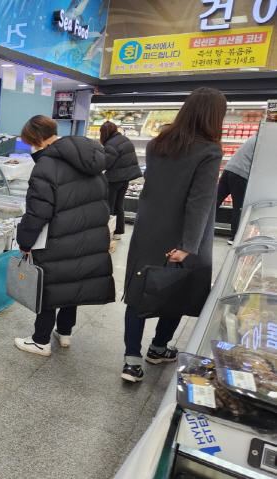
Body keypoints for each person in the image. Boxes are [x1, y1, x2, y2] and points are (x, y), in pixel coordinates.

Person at [122, 87, 227, 382]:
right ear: (214, 116)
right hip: (183, 236)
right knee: (176, 289)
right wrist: (188, 245)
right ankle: (158, 348)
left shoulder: (158, 143)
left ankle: (131, 360)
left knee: (138, 293)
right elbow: (200, 201)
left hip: (148, 229)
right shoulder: (209, 150)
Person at [14, 115, 115, 356]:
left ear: (38, 139)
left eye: (31, 141)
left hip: (57, 238)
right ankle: (65, 332)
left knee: (50, 286)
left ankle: (40, 340)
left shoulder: (46, 165)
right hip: (87, 235)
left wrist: (25, 242)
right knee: (73, 282)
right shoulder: (91, 158)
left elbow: (38, 211)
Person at [100, 121, 142, 241]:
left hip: (115, 178)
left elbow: (106, 163)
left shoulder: (111, 144)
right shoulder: (125, 139)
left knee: (109, 205)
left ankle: (108, 232)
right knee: (119, 204)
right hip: (126, 178)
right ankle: (118, 231)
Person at [216, 133, 257, 244]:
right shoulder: (266, 139)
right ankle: (235, 238)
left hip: (229, 169)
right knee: (239, 207)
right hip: (241, 173)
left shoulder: (256, 136)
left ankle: (198, 231)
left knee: (213, 202)